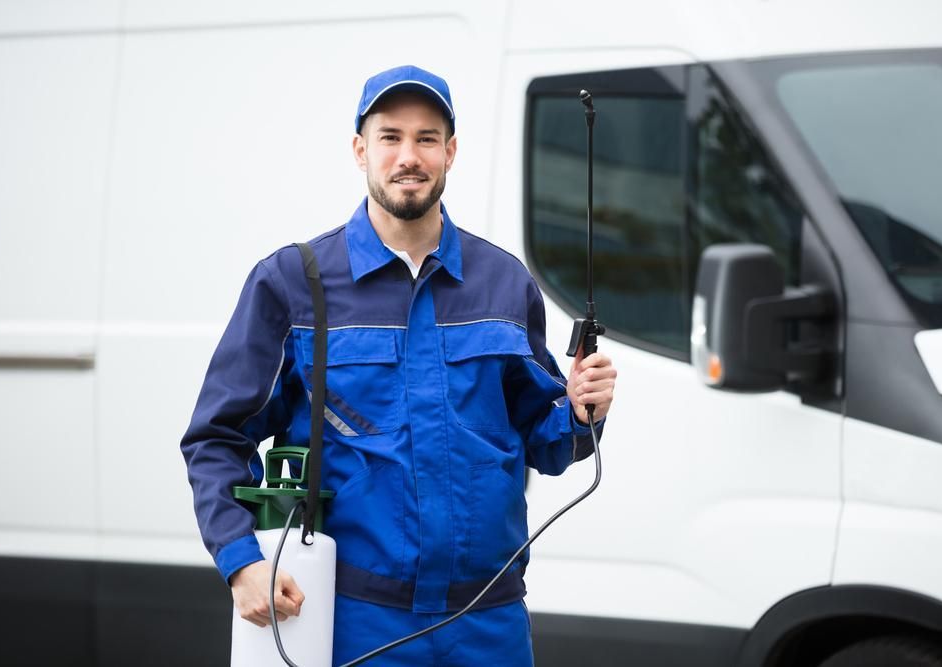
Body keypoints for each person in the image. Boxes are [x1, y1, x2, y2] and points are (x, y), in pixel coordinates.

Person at [181, 64, 617, 666]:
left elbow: (547, 442)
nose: (408, 156)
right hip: (358, 624)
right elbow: (216, 436)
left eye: (427, 138)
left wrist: (578, 411)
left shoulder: (504, 283)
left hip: (490, 623)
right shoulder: (293, 285)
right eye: (390, 137)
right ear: (361, 150)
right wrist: (240, 561)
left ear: (451, 152)